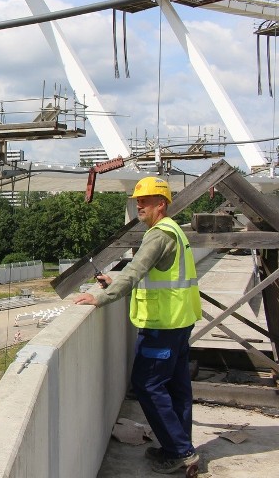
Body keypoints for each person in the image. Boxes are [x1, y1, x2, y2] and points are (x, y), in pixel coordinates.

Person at [73, 176, 202, 475]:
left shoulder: (158, 235)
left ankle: (181, 451)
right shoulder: (175, 231)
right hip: (180, 322)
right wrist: (114, 281)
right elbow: (151, 276)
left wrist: (101, 297)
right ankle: (178, 447)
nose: (139, 205)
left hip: (162, 326)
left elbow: (135, 270)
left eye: (145, 200)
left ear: (162, 203)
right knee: (178, 388)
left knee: (147, 384)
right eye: (137, 200)